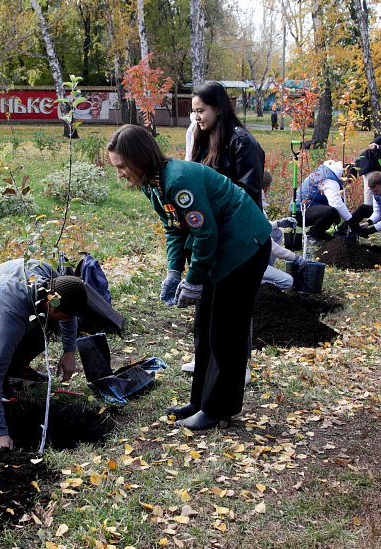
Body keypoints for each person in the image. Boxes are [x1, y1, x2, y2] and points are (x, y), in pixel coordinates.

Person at [108, 124, 272, 430]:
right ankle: (200, 401)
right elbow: (174, 227)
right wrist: (174, 271)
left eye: (122, 167)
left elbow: (204, 233)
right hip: (221, 249)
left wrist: (194, 278)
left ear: (140, 159)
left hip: (244, 247)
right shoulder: (153, 183)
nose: (120, 174)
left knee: (226, 332)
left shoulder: (179, 180)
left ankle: (219, 408)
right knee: (204, 328)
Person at [0, 259, 88, 450]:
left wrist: (69, 352)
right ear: (52, 304)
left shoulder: (51, 279)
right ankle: (10, 372)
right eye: (64, 316)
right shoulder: (11, 315)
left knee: (46, 326)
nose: (66, 321)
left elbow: (68, 314)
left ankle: (16, 368)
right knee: (1, 363)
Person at [189, 81, 266, 208]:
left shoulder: (242, 143)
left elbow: (248, 195)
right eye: (194, 111)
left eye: (200, 111)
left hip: (239, 221)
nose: (196, 117)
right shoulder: (202, 137)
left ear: (218, 109)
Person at [295, 160, 355, 243]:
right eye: (348, 181)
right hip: (299, 211)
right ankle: (313, 235)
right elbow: (335, 203)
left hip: (309, 207)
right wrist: (352, 223)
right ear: (344, 175)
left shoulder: (328, 172)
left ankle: (319, 233)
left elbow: (338, 201)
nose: (347, 184)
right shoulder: (329, 180)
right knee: (331, 211)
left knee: (338, 206)